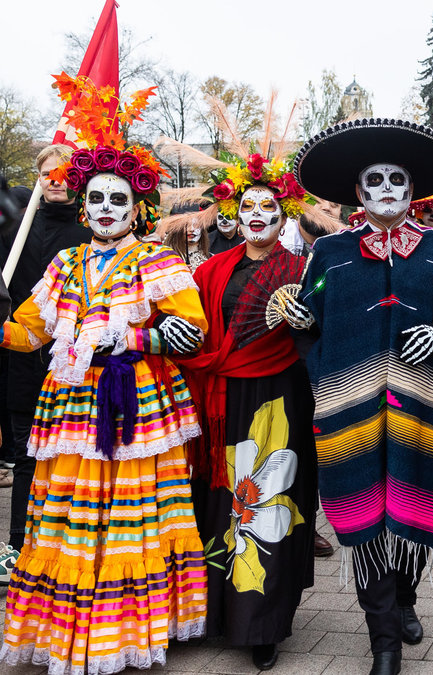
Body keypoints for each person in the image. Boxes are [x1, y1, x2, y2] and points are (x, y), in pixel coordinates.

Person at [0, 74, 208, 673]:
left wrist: (132, 335)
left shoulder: (156, 259)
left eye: (118, 200)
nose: (106, 209)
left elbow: (191, 334)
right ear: (84, 204)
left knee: (133, 519)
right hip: (70, 407)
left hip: (136, 403)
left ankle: (126, 632)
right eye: (97, 199)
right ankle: (72, 630)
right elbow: (29, 333)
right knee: (71, 518)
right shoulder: (64, 263)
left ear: (136, 206)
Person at [290, 118, 433, 675]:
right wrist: (301, 318)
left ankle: (406, 598)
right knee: (366, 510)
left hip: (424, 406)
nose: (385, 190)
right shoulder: (329, 253)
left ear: (412, 189)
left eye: (396, 179)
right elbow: (311, 319)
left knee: (417, 499)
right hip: (348, 407)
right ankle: (383, 640)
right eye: (373, 180)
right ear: (358, 191)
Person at [166, 147, 329, 670]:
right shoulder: (210, 271)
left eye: (268, 209)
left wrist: (309, 324)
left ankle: (264, 623)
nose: (257, 216)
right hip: (217, 399)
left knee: (265, 503)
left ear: (283, 217)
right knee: (215, 503)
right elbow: (189, 332)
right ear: (234, 216)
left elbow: (327, 337)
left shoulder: (305, 271)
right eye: (247, 208)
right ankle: (212, 612)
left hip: (279, 398)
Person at [0, 144, 91, 563]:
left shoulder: (94, 229)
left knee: (75, 450)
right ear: (38, 178)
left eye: (66, 172)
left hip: (79, 362)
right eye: (47, 173)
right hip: (21, 357)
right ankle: (20, 543)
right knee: (25, 454)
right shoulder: (15, 230)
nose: (56, 180)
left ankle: (72, 542)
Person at [164, 202, 211, 270]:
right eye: (186, 225)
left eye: (196, 225)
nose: (192, 229)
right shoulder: (164, 255)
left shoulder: (209, 258)